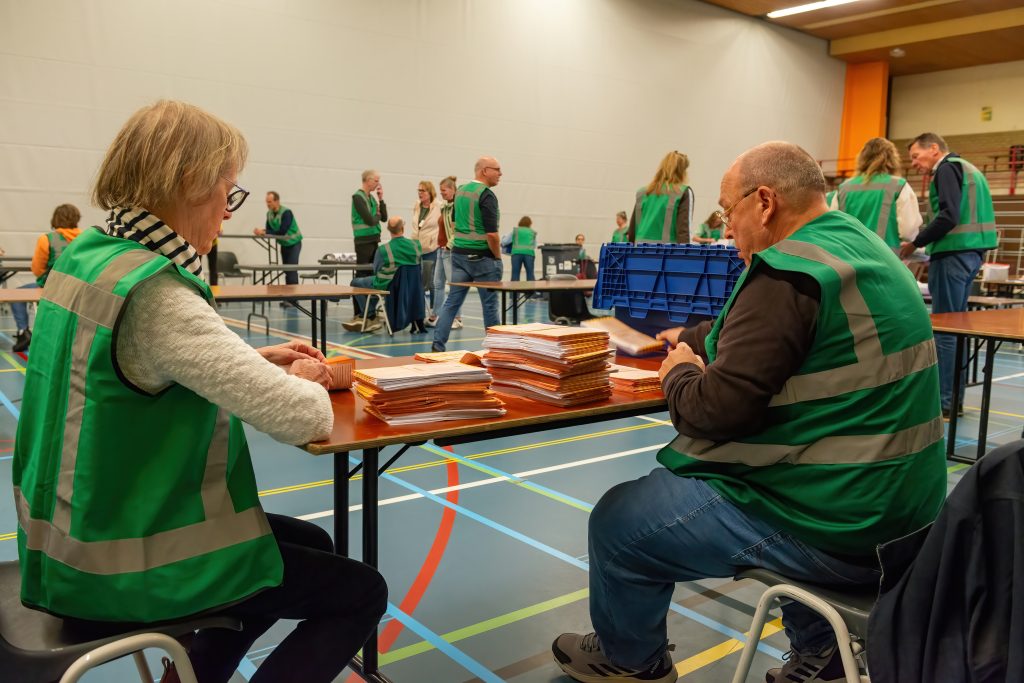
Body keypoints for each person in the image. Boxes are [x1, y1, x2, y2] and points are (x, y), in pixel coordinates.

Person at [12, 100, 386, 683]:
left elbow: (130, 370)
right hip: (125, 566)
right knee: (361, 592)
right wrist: (306, 378)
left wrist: (253, 360)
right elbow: (303, 417)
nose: (227, 213)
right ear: (188, 184)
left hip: (70, 542)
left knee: (307, 543)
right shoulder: (157, 295)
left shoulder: (91, 257)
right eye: (228, 192)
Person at [552, 141, 945, 683]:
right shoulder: (858, 248)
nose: (727, 228)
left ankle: (631, 660)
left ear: (764, 202)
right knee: (787, 468)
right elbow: (757, 335)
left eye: (727, 210)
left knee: (619, 522)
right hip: (906, 517)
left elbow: (710, 414)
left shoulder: (787, 271)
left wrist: (679, 372)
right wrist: (689, 339)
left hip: (838, 521)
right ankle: (823, 652)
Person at [899, 132, 998, 418]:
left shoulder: (946, 169)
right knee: (959, 327)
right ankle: (953, 400)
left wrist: (914, 243)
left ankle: (943, 401)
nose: (915, 164)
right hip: (971, 254)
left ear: (934, 149)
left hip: (953, 255)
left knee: (946, 329)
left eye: (916, 156)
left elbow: (948, 216)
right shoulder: (970, 169)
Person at [431, 156, 503, 352]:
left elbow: (453, 224)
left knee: (452, 301)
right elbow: (492, 234)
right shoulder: (486, 195)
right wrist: (497, 257)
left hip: (459, 256)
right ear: (484, 171)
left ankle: (437, 346)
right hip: (483, 259)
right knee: (489, 305)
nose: (500, 174)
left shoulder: (461, 192)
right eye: (497, 169)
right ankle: (495, 351)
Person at [11, 203, 83, 352]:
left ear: (55, 219)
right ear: (76, 218)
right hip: (79, 289)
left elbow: (37, 269)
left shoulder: (46, 239)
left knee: (17, 295)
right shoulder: (85, 239)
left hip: (52, 288)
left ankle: (23, 331)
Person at [829, 137, 922, 250]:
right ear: (891, 159)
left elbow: (833, 227)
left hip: (849, 258)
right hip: (886, 259)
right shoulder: (899, 186)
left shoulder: (843, 189)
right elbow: (908, 231)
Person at [344, 217, 422, 333]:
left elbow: (377, 270)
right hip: (413, 287)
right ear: (403, 229)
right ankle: (367, 315)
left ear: (389, 230)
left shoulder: (383, 250)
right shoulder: (416, 245)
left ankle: (370, 316)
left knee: (356, 283)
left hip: (389, 286)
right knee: (373, 285)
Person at [628, 151, 693, 243]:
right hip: (667, 254)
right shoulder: (682, 192)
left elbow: (632, 229)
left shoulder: (643, 192)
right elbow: (684, 231)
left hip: (639, 251)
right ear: (683, 171)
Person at [428, 176, 462, 330]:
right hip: (440, 250)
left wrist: (449, 245)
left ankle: (457, 318)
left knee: (454, 285)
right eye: (440, 190)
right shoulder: (444, 206)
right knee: (437, 284)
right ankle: (434, 316)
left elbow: (458, 229)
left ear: (453, 190)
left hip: (450, 251)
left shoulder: (456, 207)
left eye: (444, 190)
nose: (441, 193)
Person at [253, 191, 302, 285]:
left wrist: (264, 232)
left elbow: (282, 231)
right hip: (284, 244)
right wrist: (262, 232)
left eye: (270, 202)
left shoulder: (286, 213)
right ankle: (288, 297)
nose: (268, 204)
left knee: (291, 270)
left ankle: (294, 299)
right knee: (286, 271)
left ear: (277, 201)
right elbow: (269, 230)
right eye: (267, 202)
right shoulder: (269, 214)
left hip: (294, 243)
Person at [411, 180, 442, 318]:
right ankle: (419, 312)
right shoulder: (417, 206)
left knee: (433, 282)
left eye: (423, 191)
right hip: (418, 249)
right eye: (418, 190)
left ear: (430, 192)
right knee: (419, 281)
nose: (420, 193)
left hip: (432, 248)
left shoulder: (439, 206)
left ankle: (434, 313)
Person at [352, 169, 388, 266]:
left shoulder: (372, 198)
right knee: (363, 272)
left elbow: (384, 218)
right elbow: (370, 221)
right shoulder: (358, 198)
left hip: (374, 240)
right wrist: (378, 215)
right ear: (368, 181)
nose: (378, 184)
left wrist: (380, 199)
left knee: (373, 272)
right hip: (363, 242)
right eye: (376, 181)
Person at [510, 216, 537, 282]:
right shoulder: (532, 232)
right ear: (530, 223)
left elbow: (505, 241)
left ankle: (514, 292)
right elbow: (534, 245)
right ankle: (530, 291)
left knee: (515, 274)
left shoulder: (516, 230)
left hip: (516, 254)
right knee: (530, 274)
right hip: (529, 254)